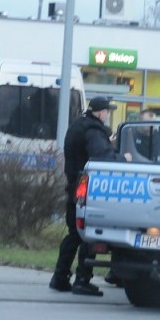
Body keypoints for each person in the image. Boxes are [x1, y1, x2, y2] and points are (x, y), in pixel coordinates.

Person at [50, 96, 131, 297]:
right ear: (100, 113)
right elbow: (102, 157)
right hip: (86, 191)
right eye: (107, 112)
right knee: (89, 235)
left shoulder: (79, 126)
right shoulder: (93, 131)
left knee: (74, 235)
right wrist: (124, 158)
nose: (108, 115)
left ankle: (60, 277)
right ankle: (82, 280)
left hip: (73, 188)